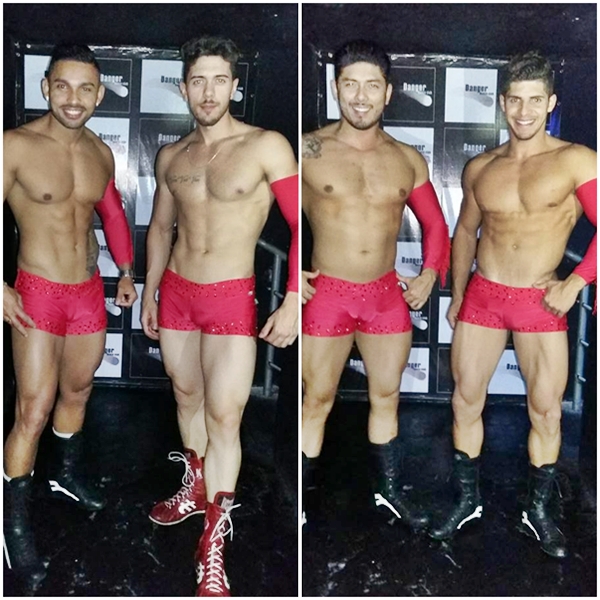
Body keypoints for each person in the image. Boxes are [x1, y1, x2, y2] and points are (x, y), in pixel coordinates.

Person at [140, 36, 298, 597]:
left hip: (231, 295)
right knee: (187, 398)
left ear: (235, 86)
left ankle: (212, 548)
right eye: (197, 81)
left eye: (218, 80)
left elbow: (302, 225)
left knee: (225, 418)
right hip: (178, 293)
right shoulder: (171, 155)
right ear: (184, 88)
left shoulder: (266, 145)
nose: (208, 92)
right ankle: (196, 486)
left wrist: (293, 298)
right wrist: (151, 291)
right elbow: (160, 228)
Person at [428, 51, 596, 559]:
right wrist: (459, 293)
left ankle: (536, 511)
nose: (524, 111)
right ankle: (467, 501)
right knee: (465, 401)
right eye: (515, 100)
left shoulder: (576, 160)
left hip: (539, 299)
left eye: (534, 101)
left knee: (546, 410)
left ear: (551, 103)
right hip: (484, 295)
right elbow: (465, 233)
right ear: (502, 103)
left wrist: (576, 282)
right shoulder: (481, 167)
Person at [3, 44, 137, 591]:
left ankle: (63, 477)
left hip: (86, 292)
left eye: (85, 88)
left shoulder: (100, 152)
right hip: (37, 291)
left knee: (78, 392)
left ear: (99, 94)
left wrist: (125, 271)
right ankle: (13, 524)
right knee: (32, 408)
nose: (73, 98)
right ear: (46, 88)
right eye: (62, 86)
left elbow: (111, 213)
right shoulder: (15, 145)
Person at [301, 40, 449, 530]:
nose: (360, 97)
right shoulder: (308, 149)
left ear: (388, 92)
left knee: (387, 398)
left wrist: (430, 272)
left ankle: (388, 493)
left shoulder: (407, 159)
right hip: (328, 296)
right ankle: (300, 499)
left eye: (371, 86)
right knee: (316, 400)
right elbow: (268, 213)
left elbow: (435, 224)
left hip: (385, 297)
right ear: (335, 88)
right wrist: (292, 272)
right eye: (350, 85)